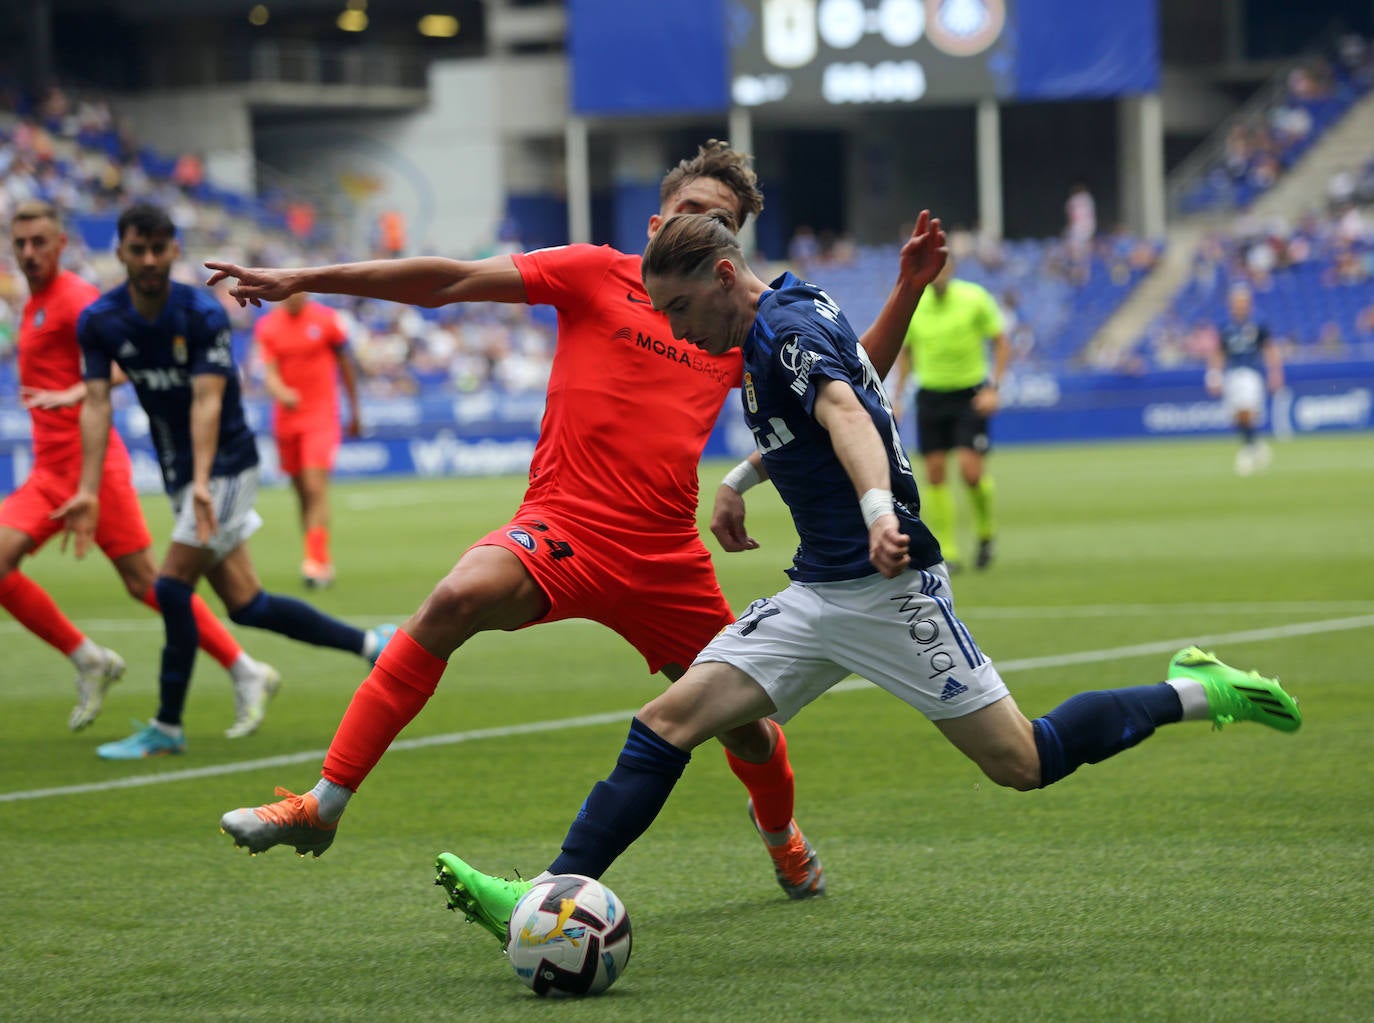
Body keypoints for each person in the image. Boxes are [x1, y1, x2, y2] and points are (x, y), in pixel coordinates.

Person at [429, 209, 1302, 946]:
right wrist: (738, 481)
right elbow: (852, 391)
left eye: (683, 306)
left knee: (1024, 761)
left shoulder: (784, 330)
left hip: (892, 594)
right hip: (818, 594)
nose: (676, 328)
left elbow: (847, 413)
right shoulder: (791, 307)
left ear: (727, 276)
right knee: (667, 722)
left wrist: (881, 509)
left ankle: (1195, 690)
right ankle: (549, 889)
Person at [211, 141, 946, 903]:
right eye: (692, 211)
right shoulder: (592, 272)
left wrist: (907, 290)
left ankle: (782, 839)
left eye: (721, 221)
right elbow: (450, 280)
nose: (702, 227)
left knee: (748, 729)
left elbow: (845, 377)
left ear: (731, 249)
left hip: (665, 557)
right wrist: (306, 278)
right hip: (563, 529)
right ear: (660, 218)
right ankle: (320, 805)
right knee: (453, 599)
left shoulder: (730, 319)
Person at [56, 203, 395, 760]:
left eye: (158, 248)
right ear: (118, 251)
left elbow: (209, 400)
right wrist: (89, 489)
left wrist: (205, 480)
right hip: (179, 471)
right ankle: (370, 643)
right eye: (137, 249)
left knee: (170, 587)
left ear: (173, 252)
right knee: (246, 604)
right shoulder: (100, 321)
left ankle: (167, 726)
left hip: (228, 464)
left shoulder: (200, 313)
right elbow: (96, 404)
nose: (147, 260)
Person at [2, 199, 279, 737]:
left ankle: (243, 671)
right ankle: (88, 658)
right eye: (20, 244)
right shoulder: (32, 305)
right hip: (47, 473)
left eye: (40, 242)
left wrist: (79, 391)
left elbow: (140, 357)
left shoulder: (80, 298)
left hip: (93, 470)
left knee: (153, 584)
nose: (30, 253)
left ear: (63, 244)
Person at [892, 253, 1009, 571]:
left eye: (944, 267)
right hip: (930, 397)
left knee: (971, 473)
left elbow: (1000, 342)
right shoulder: (916, 304)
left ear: (953, 269)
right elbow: (907, 354)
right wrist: (898, 398)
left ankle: (986, 534)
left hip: (968, 396)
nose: (939, 273)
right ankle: (950, 551)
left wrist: (993, 388)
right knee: (935, 474)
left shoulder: (974, 298)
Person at [250, 291, 362, 588]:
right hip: (286, 420)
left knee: (315, 487)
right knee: (301, 493)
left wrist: (355, 410)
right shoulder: (268, 326)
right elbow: (269, 372)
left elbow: (346, 366)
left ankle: (317, 562)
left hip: (321, 416)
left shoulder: (327, 321)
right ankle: (315, 556)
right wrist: (281, 392)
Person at [1207, 282, 1283, 476]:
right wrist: (1214, 375)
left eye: (1242, 301)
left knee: (1247, 410)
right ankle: (1255, 445)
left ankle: (1247, 452)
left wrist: (1275, 372)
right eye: (1236, 301)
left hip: (1251, 371)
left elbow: (1269, 348)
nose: (1239, 305)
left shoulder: (1258, 321)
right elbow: (1219, 352)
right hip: (1232, 372)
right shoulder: (1225, 324)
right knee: (1236, 417)